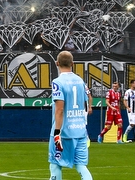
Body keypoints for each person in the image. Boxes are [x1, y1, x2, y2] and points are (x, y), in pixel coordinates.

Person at [49, 51, 92, 180]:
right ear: (72, 64)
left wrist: (57, 132)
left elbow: (60, 109)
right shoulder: (80, 81)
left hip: (64, 132)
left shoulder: (57, 82)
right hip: (80, 131)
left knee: (55, 164)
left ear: (57, 63)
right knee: (81, 166)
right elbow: (86, 101)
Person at [122, 79, 135, 143]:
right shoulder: (128, 92)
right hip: (131, 111)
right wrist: (128, 107)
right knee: (132, 124)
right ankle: (125, 135)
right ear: (132, 84)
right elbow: (124, 100)